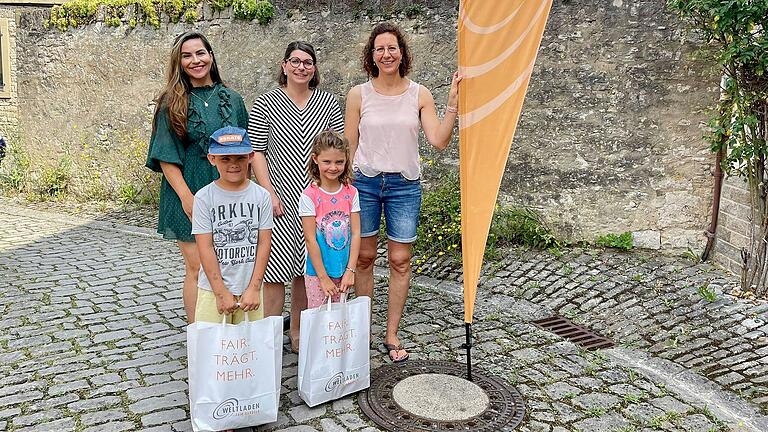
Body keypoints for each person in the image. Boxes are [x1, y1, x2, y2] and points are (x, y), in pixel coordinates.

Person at [344, 22, 461, 363]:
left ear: (402, 52)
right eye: (379, 48)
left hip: (404, 186)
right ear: (372, 55)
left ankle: (391, 333)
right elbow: (349, 145)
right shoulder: (358, 94)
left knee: (399, 260)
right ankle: (362, 329)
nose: (386, 54)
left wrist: (452, 104)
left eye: (391, 47)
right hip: (364, 182)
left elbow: (438, 140)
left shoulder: (419, 94)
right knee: (364, 258)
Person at [146, 31, 249, 323]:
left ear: (211, 56)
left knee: (230, 264)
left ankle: (232, 328)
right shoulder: (171, 102)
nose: (195, 60)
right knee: (197, 267)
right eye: (187, 55)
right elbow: (166, 157)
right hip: (187, 190)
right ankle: (198, 333)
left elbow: (245, 153)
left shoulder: (233, 99)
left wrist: (246, 193)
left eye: (200, 53)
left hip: (229, 193)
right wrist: (187, 199)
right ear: (179, 62)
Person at [248, 41, 345, 352]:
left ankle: (299, 333)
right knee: (275, 269)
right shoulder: (266, 103)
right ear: (284, 65)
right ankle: (270, 335)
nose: (301, 67)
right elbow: (257, 152)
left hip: (317, 198)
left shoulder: (328, 103)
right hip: (280, 196)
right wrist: (267, 190)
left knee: (308, 270)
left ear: (314, 68)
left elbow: (337, 149)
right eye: (295, 61)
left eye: (308, 62)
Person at [191, 126, 273, 323]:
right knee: (212, 348)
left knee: (248, 349)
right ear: (212, 159)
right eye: (225, 158)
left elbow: (264, 243)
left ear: (250, 157)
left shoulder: (261, 196)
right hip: (213, 290)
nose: (233, 164)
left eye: (240, 158)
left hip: (250, 289)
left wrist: (254, 287)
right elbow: (206, 247)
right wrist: (220, 293)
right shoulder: (204, 198)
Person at [299, 131, 360, 308]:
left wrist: (350, 270)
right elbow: (310, 239)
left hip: (343, 270)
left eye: (339, 162)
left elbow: (356, 233)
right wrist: (323, 278)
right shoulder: (309, 196)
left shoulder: (351, 193)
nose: (333, 167)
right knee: (319, 322)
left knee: (338, 322)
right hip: (317, 272)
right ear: (315, 159)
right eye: (327, 162)